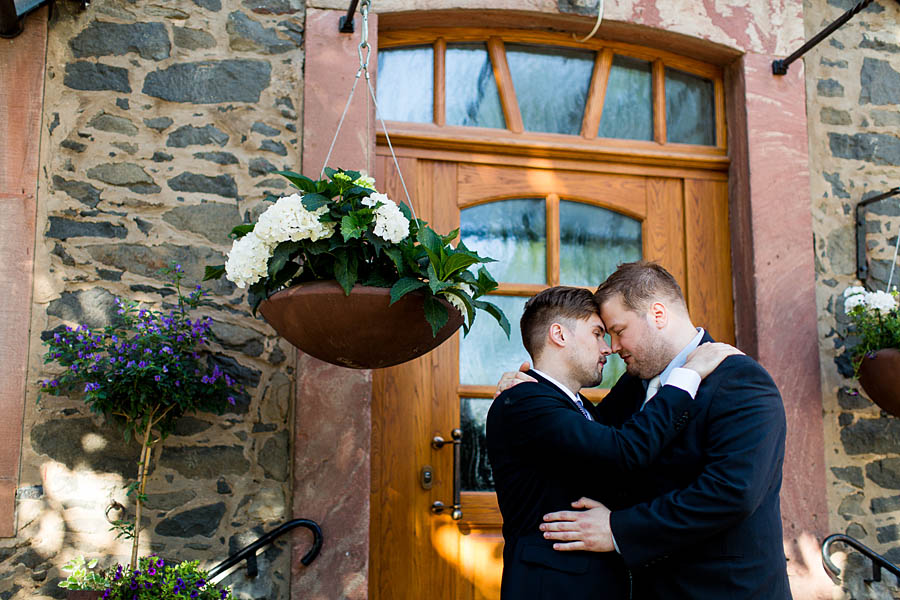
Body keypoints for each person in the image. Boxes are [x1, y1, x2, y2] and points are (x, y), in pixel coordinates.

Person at [500, 262, 792, 599]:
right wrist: (533, 385)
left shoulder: (740, 379)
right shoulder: (633, 385)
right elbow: (601, 445)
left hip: (726, 590)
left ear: (657, 315)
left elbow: (732, 492)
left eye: (619, 330)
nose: (613, 346)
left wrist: (617, 529)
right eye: (604, 334)